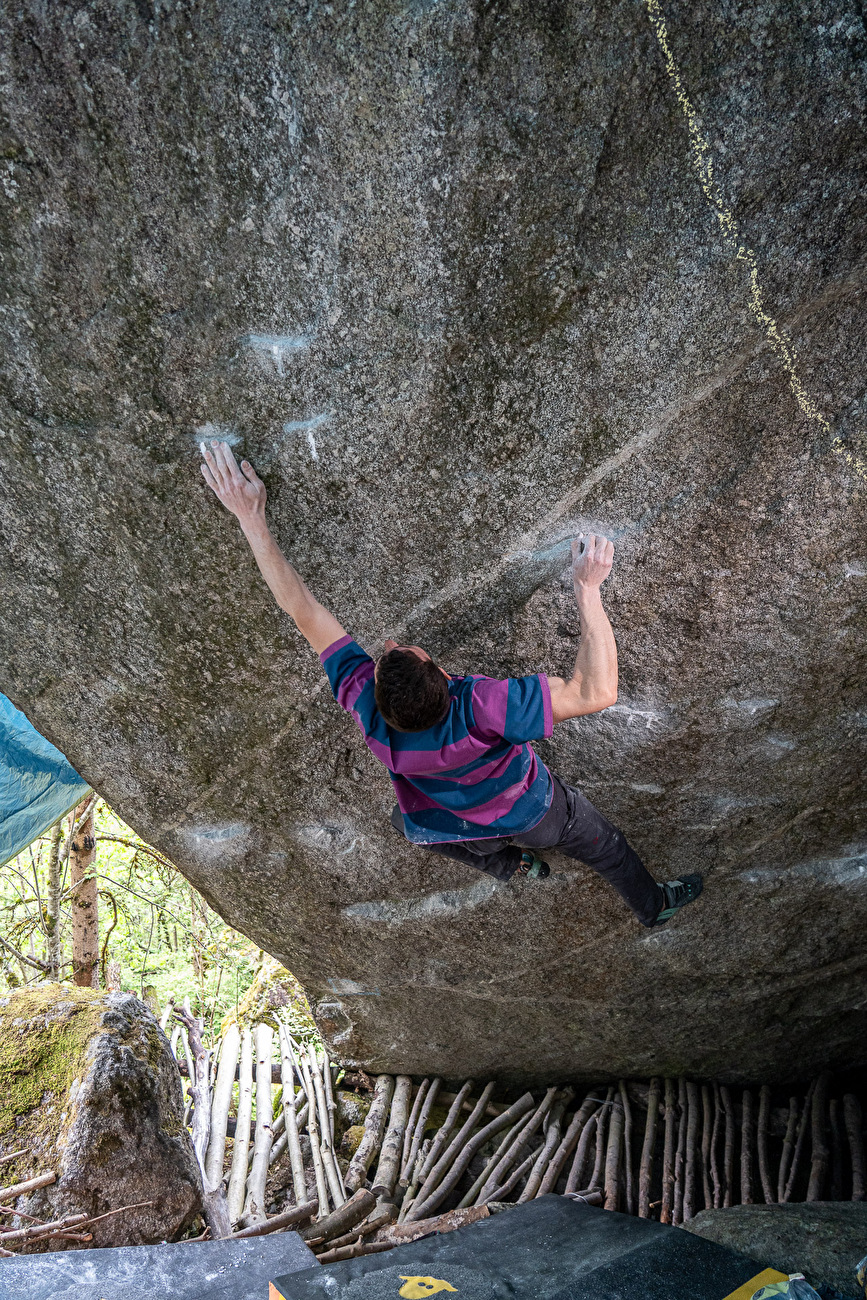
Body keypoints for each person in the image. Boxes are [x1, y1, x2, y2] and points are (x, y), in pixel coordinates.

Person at [201, 440, 703, 927]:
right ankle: (653, 906)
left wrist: (251, 519)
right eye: (401, 650)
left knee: (410, 822)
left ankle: (508, 865)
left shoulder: (367, 708)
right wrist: (587, 588)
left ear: (374, 692)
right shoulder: (481, 706)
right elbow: (597, 692)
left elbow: (302, 610)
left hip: (460, 826)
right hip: (533, 815)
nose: (393, 642)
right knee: (607, 848)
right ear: (444, 676)